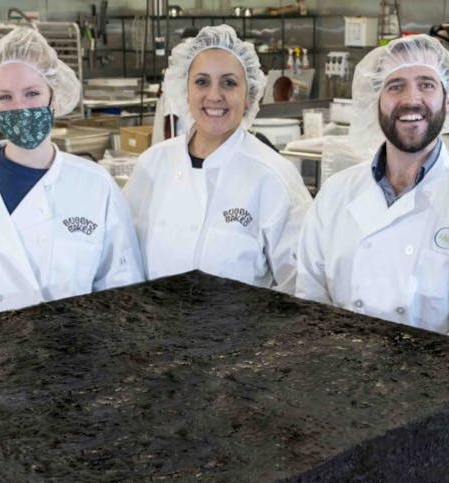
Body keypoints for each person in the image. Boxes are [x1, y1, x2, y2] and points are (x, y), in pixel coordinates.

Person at [296, 34, 449, 345]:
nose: (411, 99)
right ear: (376, 102)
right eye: (395, 86)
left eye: (426, 84)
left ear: (448, 100)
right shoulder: (335, 193)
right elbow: (310, 295)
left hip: (438, 374)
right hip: (336, 365)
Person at [0, 26, 143, 328]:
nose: (20, 109)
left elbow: (121, 288)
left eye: (32, 94)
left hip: (72, 350)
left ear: (54, 96)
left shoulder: (95, 185)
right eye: (5, 97)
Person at [124, 25, 312, 293]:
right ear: (185, 91)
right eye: (202, 82)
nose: (214, 96)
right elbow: (124, 259)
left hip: (243, 322)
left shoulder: (273, 176)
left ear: (248, 96)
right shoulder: (152, 164)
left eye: (229, 83)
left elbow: (302, 284)